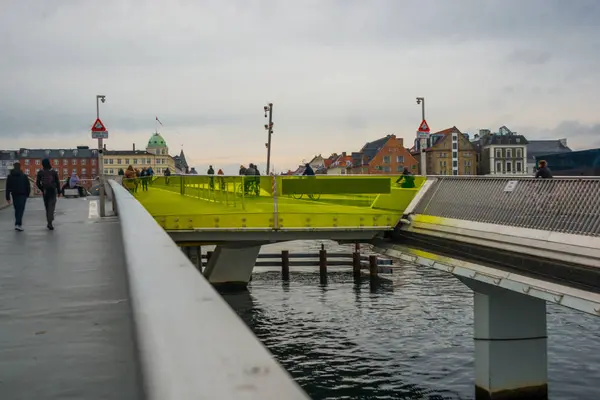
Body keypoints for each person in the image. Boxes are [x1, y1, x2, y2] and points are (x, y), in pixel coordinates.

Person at [5, 162, 31, 231]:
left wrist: (7, 197)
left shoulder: (10, 176)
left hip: (14, 194)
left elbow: (7, 187)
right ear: (20, 167)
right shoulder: (24, 176)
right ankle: (18, 224)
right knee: (21, 209)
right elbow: (27, 186)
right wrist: (27, 194)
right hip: (22, 195)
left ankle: (17, 223)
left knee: (17, 209)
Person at [36, 158, 60, 230]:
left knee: (47, 207)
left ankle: (49, 222)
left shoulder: (40, 172)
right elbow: (57, 182)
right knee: (51, 206)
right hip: (52, 191)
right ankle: (50, 220)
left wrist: (42, 189)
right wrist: (59, 191)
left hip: (45, 191)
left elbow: (37, 183)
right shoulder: (53, 172)